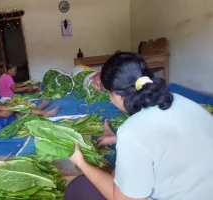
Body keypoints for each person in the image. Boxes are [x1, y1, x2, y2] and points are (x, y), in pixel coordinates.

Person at [65, 52, 213, 200]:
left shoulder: (132, 131)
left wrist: (81, 162)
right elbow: (174, 138)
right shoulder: (180, 101)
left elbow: (123, 198)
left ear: (117, 95)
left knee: (79, 187)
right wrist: (118, 140)